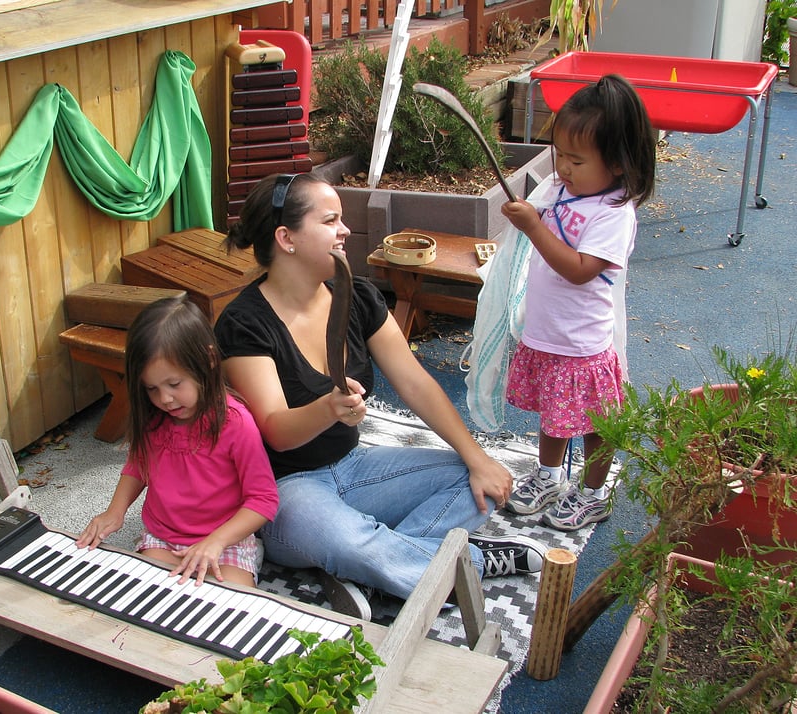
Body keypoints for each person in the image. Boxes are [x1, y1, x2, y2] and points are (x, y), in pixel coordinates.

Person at [213, 171, 547, 620]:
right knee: (342, 538)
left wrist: (477, 457)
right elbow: (276, 431)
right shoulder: (244, 323)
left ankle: (376, 573)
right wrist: (327, 408)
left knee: (471, 478)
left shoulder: (360, 296)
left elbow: (416, 382)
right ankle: (468, 564)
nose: (345, 230)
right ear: (286, 237)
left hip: (356, 468)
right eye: (331, 220)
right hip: (285, 492)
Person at [500, 74, 656, 531]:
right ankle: (549, 475)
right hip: (548, 332)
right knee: (554, 410)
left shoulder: (613, 212)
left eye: (577, 160)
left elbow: (580, 269)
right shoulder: (568, 190)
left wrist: (534, 227)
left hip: (583, 343)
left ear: (621, 164)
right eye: (560, 155)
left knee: (593, 423)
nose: (563, 168)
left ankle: (594, 490)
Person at [76, 295, 278, 588]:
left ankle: (250, 554)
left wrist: (216, 542)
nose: (164, 399)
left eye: (174, 384)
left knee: (232, 605)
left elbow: (264, 499)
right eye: (151, 388)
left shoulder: (236, 422)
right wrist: (114, 512)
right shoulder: (154, 414)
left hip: (224, 542)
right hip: (164, 536)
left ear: (208, 360)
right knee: (152, 597)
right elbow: (138, 465)